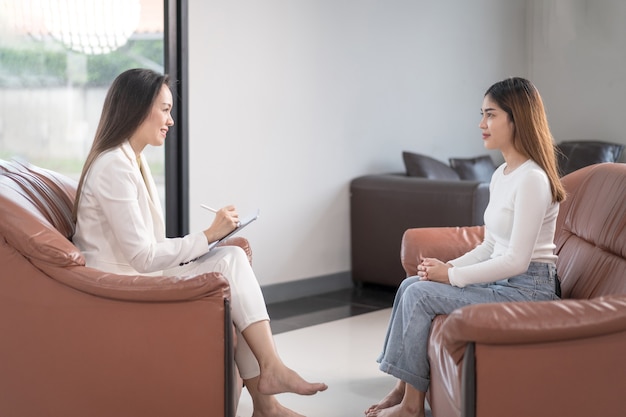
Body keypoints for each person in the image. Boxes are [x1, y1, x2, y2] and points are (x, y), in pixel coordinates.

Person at [72, 68, 327, 417]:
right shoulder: (114, 167)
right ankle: (270, 388)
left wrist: (212, 239)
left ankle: (269, 396)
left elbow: (146, 248)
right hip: (122, 289)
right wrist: (208, 235)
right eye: (164, 109)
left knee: (232, 260)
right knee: (231, 262)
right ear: (137, 107)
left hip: (136, 277)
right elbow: (144, 257)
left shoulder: (130, 160)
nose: (170, 120)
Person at [365, 77, 566, 417]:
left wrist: (453, 275)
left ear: (516, 119)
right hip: (506, 281)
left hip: (529, 288)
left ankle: (412, 406)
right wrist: (443, 269)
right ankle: (401, 389)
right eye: (482, 115)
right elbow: (490, 246)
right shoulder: (502, 174)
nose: (481, 124)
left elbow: (517, 260)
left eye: (490, 115)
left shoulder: (533, 179)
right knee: (413, 283)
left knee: (420, 294)